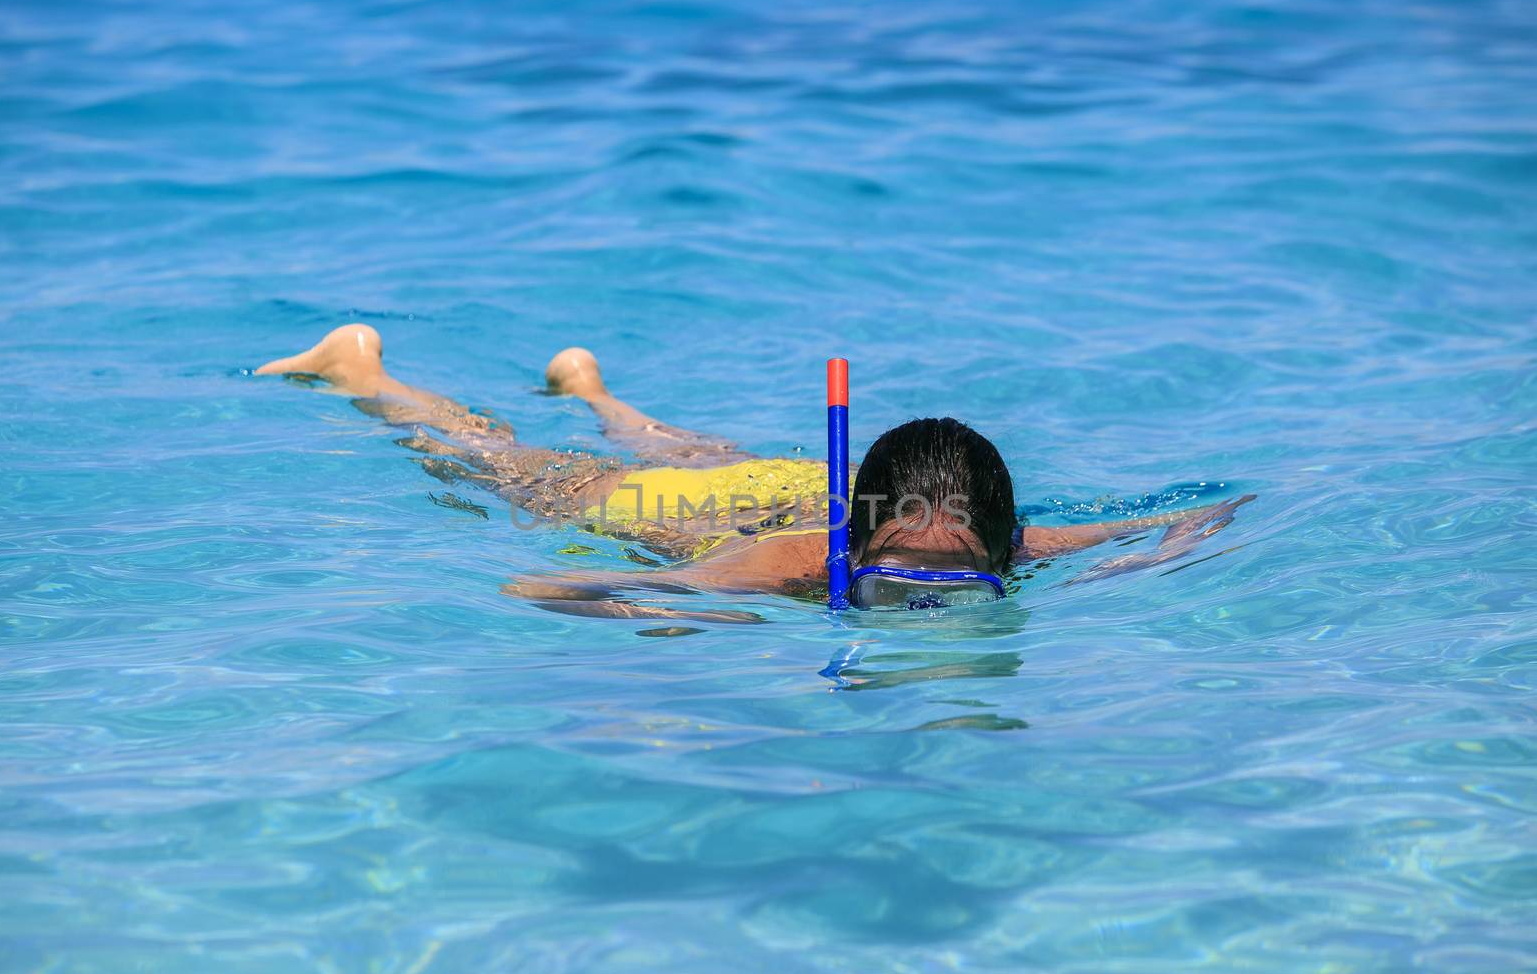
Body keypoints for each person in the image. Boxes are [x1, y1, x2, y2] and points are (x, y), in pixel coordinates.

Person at [256, 323, 1253, 620]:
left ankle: (595, 386)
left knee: (682, 439)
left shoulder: (1010, 540)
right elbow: (544, 580)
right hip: (660, 511)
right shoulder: (779, 565)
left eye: (955, 581)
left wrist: (1136, 569)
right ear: (852, 547)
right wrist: (672, 608)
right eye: (896, 580)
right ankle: (362, 367)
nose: (923, 603)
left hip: (782, 476)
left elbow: (1211, 509)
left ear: (1007, 546)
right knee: (483, 460)